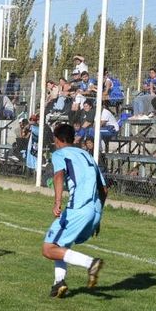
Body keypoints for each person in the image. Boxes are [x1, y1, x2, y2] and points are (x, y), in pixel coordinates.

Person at [42, 123, 105, 298]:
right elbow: (104, 189)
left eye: (54, 139)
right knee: (61, 245)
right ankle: (58, 283)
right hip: (94, 209)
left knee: (48, 248)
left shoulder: (60, 154)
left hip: (78, 208)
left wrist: (56, 202)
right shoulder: (87, 155)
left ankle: (91, 263)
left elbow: (59, 175)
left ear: (58, 139)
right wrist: (98, 217)